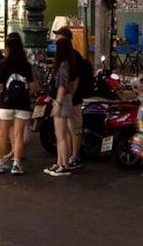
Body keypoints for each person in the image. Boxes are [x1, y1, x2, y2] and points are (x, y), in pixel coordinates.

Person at [0, 33, 36, 175]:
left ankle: (0, 163)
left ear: (7, 47)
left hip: (5, 102)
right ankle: (16, 164)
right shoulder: (26, 65)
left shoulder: (4, 64)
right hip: (22, 103)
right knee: (18, 135)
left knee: (2, 135)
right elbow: (32, 85)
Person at [55, 26, 94, 170]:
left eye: (58, 37)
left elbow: (72, 79)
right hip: (72, 98)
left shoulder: (70, 57)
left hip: (72, 99)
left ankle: (72, 158)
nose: (55, 39)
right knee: (68, 131)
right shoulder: (73, 56)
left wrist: (66, 97)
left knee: (72, 130)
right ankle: (68, 158)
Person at [45, 38, 79, 177]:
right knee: (62, 134)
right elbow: (73, 83)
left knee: (60, 136)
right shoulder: (71, 63)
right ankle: (59, 163)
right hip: (67, 99)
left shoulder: (63, 65)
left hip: (61, 101)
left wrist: (58, 103)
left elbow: (61, 85)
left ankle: (64, 164)